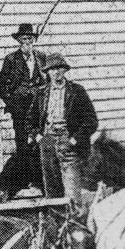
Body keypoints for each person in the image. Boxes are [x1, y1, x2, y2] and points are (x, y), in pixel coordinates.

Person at [30, 53, 98, 201]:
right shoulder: (41, 93)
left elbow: (92, 121)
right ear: (47, 72)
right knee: (52, 193)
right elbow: (30, 121)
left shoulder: (77, 91)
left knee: (72, 192)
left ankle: (74, 222)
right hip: (47, 143)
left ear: (65, 70)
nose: (56, 72)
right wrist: (39, 138)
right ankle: (56, 223)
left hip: (68, 142)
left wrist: (74, 140)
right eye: (52, 69)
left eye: (59, 68)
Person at [0, 22, 47, 185]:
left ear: (34, 40)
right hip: (19, 107)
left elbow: (46, 80)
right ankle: (23, 179)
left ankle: (38, 178)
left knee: (38, 139)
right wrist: (11, 104)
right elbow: (2, 85)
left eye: (30, 39)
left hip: (38, 107)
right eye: (24, 39)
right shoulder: (11, 59)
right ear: (19, 40)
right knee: (21, 141)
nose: (27, 42)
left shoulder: (40, 57)